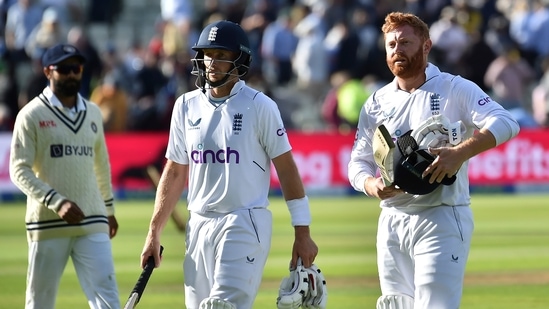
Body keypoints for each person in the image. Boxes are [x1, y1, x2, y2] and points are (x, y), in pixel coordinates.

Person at [138, 20, 319, 309]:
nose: (212, 62)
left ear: (240, 61)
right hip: (197, 225)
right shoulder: (185, 106)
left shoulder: (260, 106)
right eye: (208, 55)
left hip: (244, 221)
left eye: (222, 56)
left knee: (221, 306)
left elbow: (286, 170)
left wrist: (303, 233)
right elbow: (173, 173)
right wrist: (153, 232)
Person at [347, 12, 520, 309]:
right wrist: (370, 184)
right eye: (391, 44)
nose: (397, 50)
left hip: (441, 215)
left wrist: (461, 152)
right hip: (391, 220)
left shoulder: (454, 87)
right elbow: (357, 162)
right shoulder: (376, 102)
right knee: (395, 305)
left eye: (405, 42)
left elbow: (507, 122)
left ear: (426, 46)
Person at [9, 43, 120, 309]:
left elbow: (101, 166)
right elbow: (18, 169)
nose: (72, 74)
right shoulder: (31, 115)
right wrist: (57, 201)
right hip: (47, 223)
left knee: (108, 298)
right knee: (40, 302)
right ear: (48, 71)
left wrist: (109, 209)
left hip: (92, 218)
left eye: (77, 68)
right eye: (65, 69)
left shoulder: (93, 112)